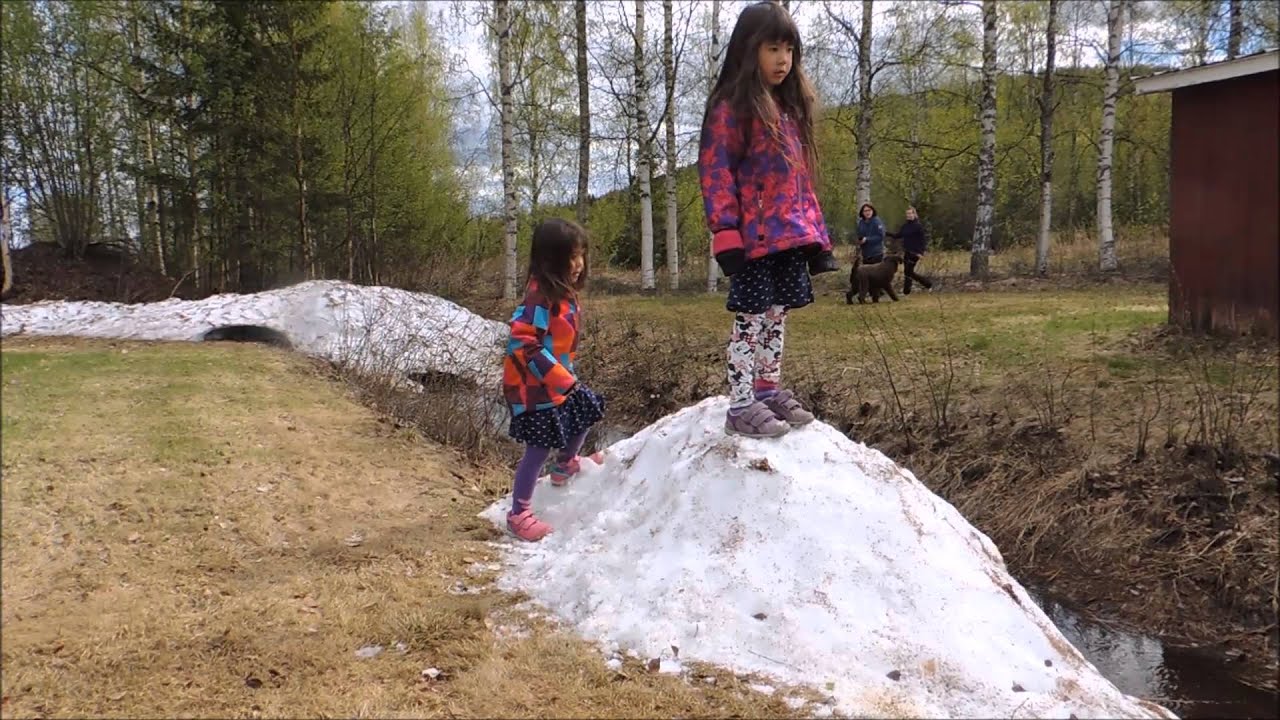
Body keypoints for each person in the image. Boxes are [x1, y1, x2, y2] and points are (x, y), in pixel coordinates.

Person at [698, 0, 831, 439]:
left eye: (789, 50)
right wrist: (725, 232)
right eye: (773, 48)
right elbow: (716, 171)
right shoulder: (732, 107)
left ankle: (766, 389)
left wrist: (817, 237)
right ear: (749, 49)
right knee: (750, 319)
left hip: (787, 238)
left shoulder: (789, 111)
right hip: (752, 240)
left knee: (777, 316)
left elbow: (800, 183)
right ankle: (739, 404)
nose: (783, 60)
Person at [502, 218, 605, 542]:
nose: (578, 264)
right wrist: (559, 377)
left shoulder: (563, 293)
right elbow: (523, 344)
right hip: (531, 387)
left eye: (581, 255)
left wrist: (564, 376)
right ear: (549, 260)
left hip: (557, 378)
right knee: (538, 446)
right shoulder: (539, 297)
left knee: (586, 408)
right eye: (570, 257)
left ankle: (565, 465)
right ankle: (519, 514)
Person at [886, 206, 934, 294]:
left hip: (915, 253)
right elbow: (898, 235)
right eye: (907, 214)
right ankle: (908, 291)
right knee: (908, 272)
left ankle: (927, 284)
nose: (909, 215)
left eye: (910, 213)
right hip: (907, 251)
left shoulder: (918, 226)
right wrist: (886, 233)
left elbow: (922, 240)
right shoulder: (905, 226)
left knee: (909, 272)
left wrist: (920, 252)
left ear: (914, 214)